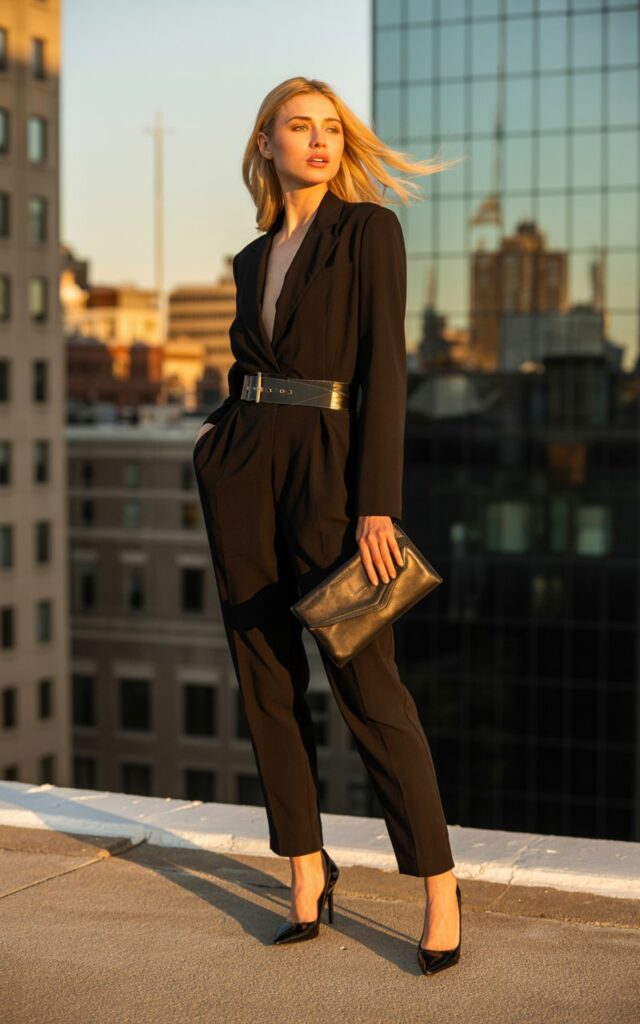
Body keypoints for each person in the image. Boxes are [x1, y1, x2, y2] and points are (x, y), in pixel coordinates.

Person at [193, 76, 463, 974]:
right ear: (265, 143)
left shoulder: (367, 231)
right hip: (243, 469)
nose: (318, 141)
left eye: (331, 129)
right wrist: (217, 442)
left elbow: (385, 368)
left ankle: (438, 885)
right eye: (299, 127)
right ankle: (305, 869)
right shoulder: (250, 257)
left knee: (368, 684)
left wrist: (377, 502)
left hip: (332, 476)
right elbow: (249, 365)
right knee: (264, 677)